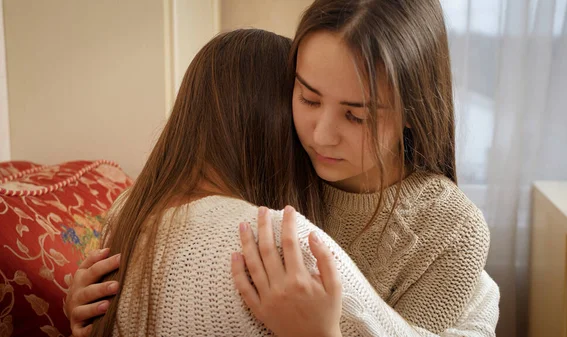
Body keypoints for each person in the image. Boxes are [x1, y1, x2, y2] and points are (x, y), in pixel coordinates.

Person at [68, 0, 500, 335]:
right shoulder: (269, 146)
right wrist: (100, 308)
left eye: (357, 115)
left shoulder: (449, 231)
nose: (321, 134)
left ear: (414, 110)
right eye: (309, 98)